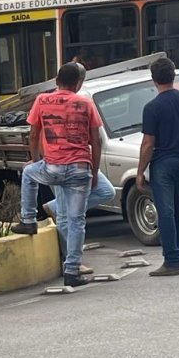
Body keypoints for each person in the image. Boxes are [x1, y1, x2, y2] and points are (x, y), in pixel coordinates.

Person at [11, 62, 102, 287]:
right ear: (78, 83)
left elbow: (33, 135)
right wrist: (95, 170)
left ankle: (29, 220)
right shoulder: (86, 103)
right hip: (81, 168)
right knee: (76, 220)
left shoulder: (42, 100)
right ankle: (72, 271)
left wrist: (35, 160)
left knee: (29, 173)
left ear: (56, 79)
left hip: (52, 167)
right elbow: (96, 141)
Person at [42, 63, 116, 274]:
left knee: (105, 191)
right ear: (78, 82)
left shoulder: (80, 102)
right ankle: (71, 262)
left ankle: (55, 208)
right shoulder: (54, 102)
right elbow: (39, 133)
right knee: (69, 217)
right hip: (63, 163)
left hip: (77, 161)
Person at [135, 58, 179, 277]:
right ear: (173, 75)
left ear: (153, 79)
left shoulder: (152, 107)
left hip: (163, 163)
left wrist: (140, 172)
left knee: (165, 211)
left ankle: (171, 261)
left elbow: (148, 143)